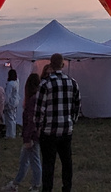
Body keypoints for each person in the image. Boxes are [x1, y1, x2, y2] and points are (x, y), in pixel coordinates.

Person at [35, 53, 79, 192]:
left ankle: (47, 189)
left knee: (48, 164)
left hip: (49, 131)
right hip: (66, 129)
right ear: (63, 64)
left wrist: (38, 126)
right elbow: (77, 105)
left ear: (50, 64)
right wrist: (72, 120)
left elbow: (39, 108)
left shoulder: (45, 84)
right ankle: (67, 187)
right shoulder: (72, 82)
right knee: (67, 162)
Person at [7, 73, 42, 192]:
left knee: (34, 160)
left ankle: (36, 185)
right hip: (33, 134)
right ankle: (16, 183)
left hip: (32, 135)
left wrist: (28, 137)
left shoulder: (32, 100)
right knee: (24, 160)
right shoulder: (38, 98)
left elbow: (31, 120)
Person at [4, 69, 20, 138]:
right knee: (13, 118)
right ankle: (12, 133)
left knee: (9, 118)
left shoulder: (10, 84)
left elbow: (8, 95)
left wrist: (5, 103)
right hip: (16, 101)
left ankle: (10, 134)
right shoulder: (17, 81)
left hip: (10, 102)